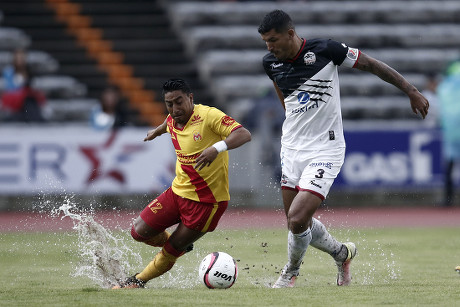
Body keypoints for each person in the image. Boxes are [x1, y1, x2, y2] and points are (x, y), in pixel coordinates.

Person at [258, 10, 429, 288]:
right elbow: (286, 100)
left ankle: (290, 273)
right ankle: (342, 253)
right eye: (266, 42)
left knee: (298, 217)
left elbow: (372, 65)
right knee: (295, 223)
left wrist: (410, 90)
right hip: (291, 149)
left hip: (326, 148)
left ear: (290, 33)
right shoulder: (270, 63)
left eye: (273, 40)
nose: (269, 47)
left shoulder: (326, 49)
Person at [112, 78, 251, 289]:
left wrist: (216, 148)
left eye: (179, 102)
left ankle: (138, 281)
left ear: (190, 98)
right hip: (177, 193)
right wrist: (155, 132)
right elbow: (167, 124)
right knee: (138, 232)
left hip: (207, 203)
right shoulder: (172, 118)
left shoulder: (208, 116)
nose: (175, 109)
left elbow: (244, 134)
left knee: (172, 248)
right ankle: (181, 246)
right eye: (169, 104)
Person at [437, 59, 460, 207]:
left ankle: (448, 198)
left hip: (451, 128)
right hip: (453, 126)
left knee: (450, 164)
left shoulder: (449, 77)